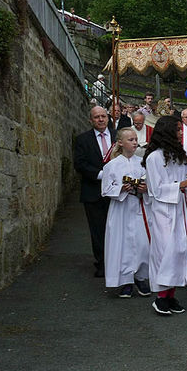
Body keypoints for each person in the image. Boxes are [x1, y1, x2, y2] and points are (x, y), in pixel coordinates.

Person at [142, 114, 187, 316]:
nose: (181, 132)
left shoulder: (181, 156)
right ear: (167, 132)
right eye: (177, 129)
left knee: (179, 251)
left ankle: (171, 294)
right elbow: (155, 189)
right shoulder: (154, 158)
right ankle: (160, 297)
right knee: (164, 252)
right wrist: (180, 185)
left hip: (180, 209)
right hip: (163, 211)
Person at [101, 127, 151, 298]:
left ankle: (140, 276)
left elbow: (150, 185)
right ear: (120, 143)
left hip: (138, 206)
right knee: (122, 244)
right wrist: (121, 188)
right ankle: (124, 281)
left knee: (142, 243)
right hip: (121, 209)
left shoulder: (142, 163)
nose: (135, 142)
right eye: (130, 140)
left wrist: (145, 189)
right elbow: (106, 190)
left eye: (136, 139)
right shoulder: (112, 165)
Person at [74, 106, 116, 277]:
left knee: (116, 228)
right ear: (91, 120)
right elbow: (80, 163)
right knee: (98, 230)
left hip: (116, 191)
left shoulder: (117, 136)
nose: (100, 120)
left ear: (108, 118)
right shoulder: (83, 139)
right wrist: (100, 175)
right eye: (97, 117)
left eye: (103, 116)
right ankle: (102, 264)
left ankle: (117, 262)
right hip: (93, 191)